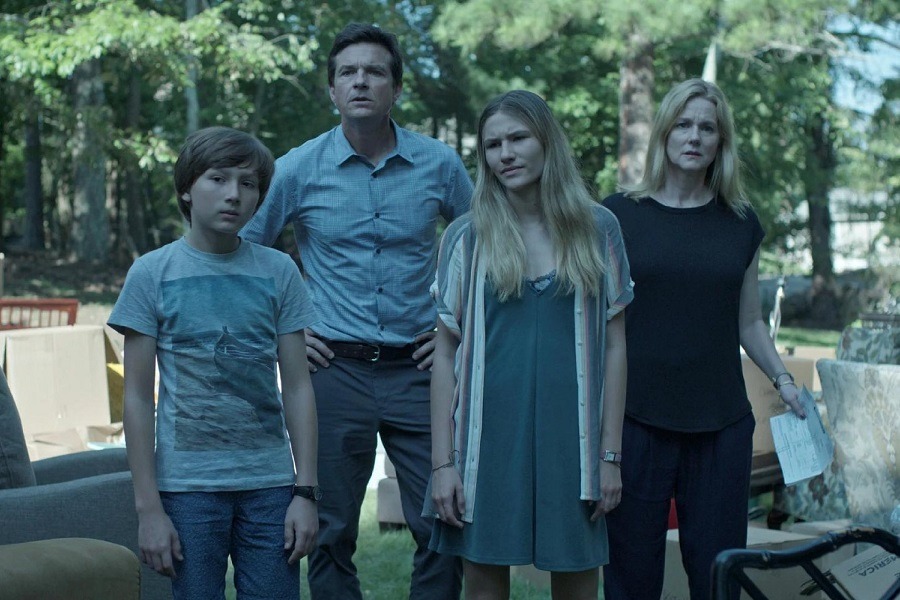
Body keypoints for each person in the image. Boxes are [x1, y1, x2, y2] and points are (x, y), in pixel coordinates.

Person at [239, 23, 472, 600]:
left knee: (443, 519)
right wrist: (286, 332)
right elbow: (242, 255)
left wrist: (459, 329)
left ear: (396, 88)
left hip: (420, 370)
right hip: (333, 370)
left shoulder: (439, 164)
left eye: (374, 71)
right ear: (332, 90)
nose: (360, 81)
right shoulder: (297, 168)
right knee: (329, 528)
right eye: (348, 72)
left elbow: (488, 247)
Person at [602, 78, 805, 600]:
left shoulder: (740, 222)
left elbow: (749, 322)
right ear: (665, 133)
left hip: (721, 426)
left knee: (718, 578)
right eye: (683, 125)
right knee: (630, 577)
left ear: (721, 142)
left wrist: (784, 381)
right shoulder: (618, 215)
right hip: (635, 422)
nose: (694, 137)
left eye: (707, 128)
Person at [426, 90, 633, 600]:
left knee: (579, 587)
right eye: (493, 144)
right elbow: (445, 356)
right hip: (485, 442)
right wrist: (443, 464)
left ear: (547, 141)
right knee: (483, 589)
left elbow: (615, 348)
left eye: (518, 138)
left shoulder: (597, 228)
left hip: (574, 444)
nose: (506, 154)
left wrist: (609, 455)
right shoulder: (466, 237)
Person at [108, 126, 320, 599]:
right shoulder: (152, 273)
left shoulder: (279, 270)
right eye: (218, 179)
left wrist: (305, 492)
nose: (234, 195)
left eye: (248, 184)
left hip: (270, 486)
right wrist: (149, 509)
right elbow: (137, 398)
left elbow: (298, 386)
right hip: (187, 490)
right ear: (187, 188)